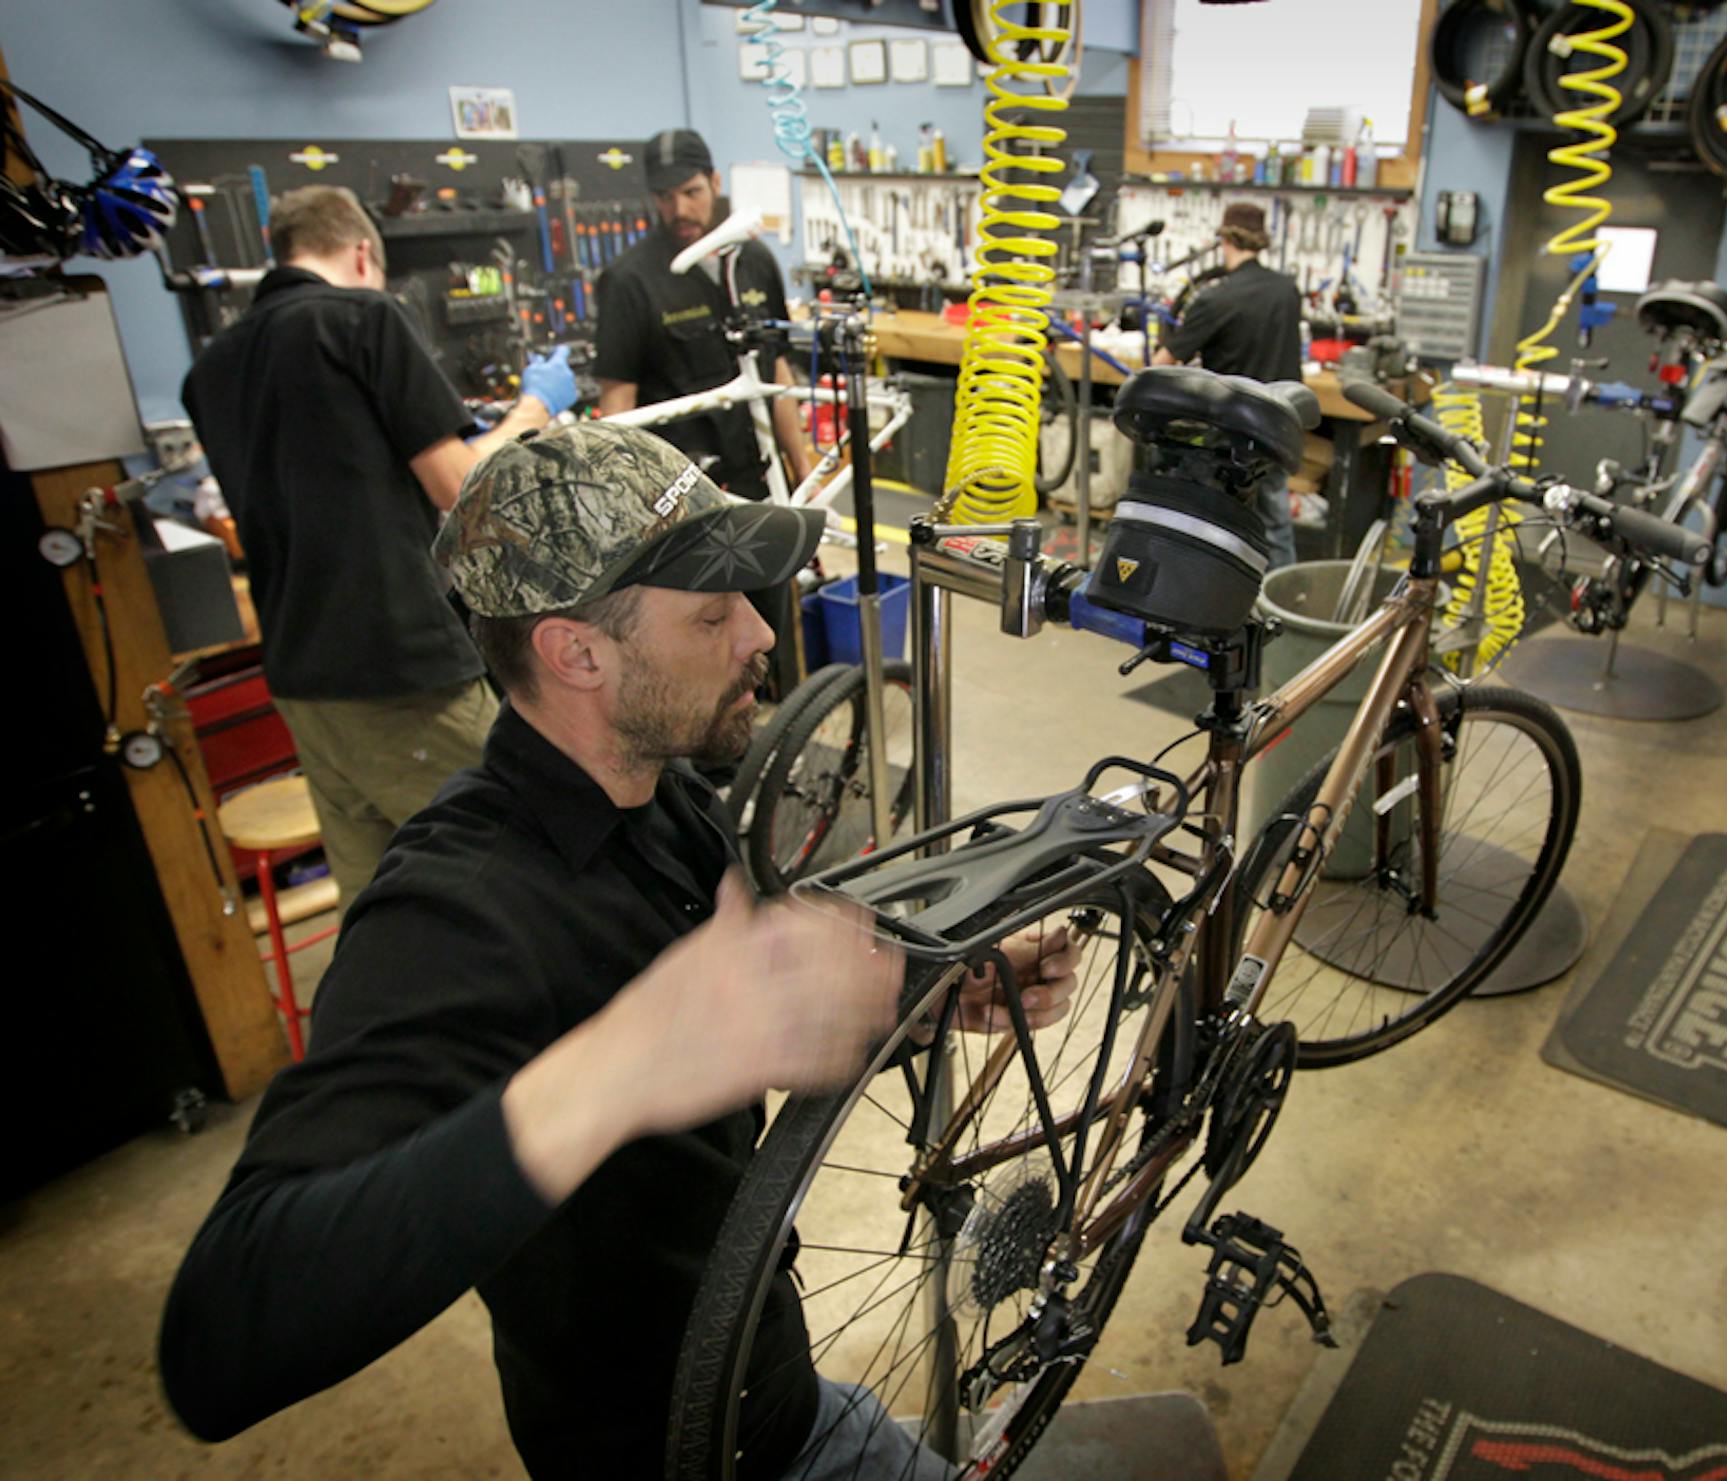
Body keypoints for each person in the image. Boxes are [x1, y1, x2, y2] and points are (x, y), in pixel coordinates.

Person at [158, 422, 1077, 1478]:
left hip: (780, 1398)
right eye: (713, 611)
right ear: (578, 650)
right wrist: (622, 1064)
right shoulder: (455, 915)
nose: (761, 635)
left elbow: (747, 997)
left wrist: (938, 987)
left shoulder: (660, 793)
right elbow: (217, 1339)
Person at [181, 184, 579, 906]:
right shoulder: (363, 316)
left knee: (383, 900)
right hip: (399, 671)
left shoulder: (211, 368)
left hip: (304, 679)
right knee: (528, 865)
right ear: (364, 253)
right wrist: (534, 407)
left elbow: (332, 467)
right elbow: (458, 484)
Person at [595, 128, 812, 497]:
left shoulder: (754, 260)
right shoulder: (628, 281)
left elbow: (777, 372)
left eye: (691, 192)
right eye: (665, 197)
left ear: (714, 182)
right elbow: (618, 406)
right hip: (683, 490)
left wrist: (803, 471)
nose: (679, 210)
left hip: (763, 476)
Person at [1152, 201, 1304, 569]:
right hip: (1279, 423)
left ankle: (1210, 596)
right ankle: (1283, 602)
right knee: (1276, 522)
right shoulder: (1287, 290)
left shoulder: (1215, 298)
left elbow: (1161, 365)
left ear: (1224, 239)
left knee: (1213, 520)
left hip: (1230, 432)